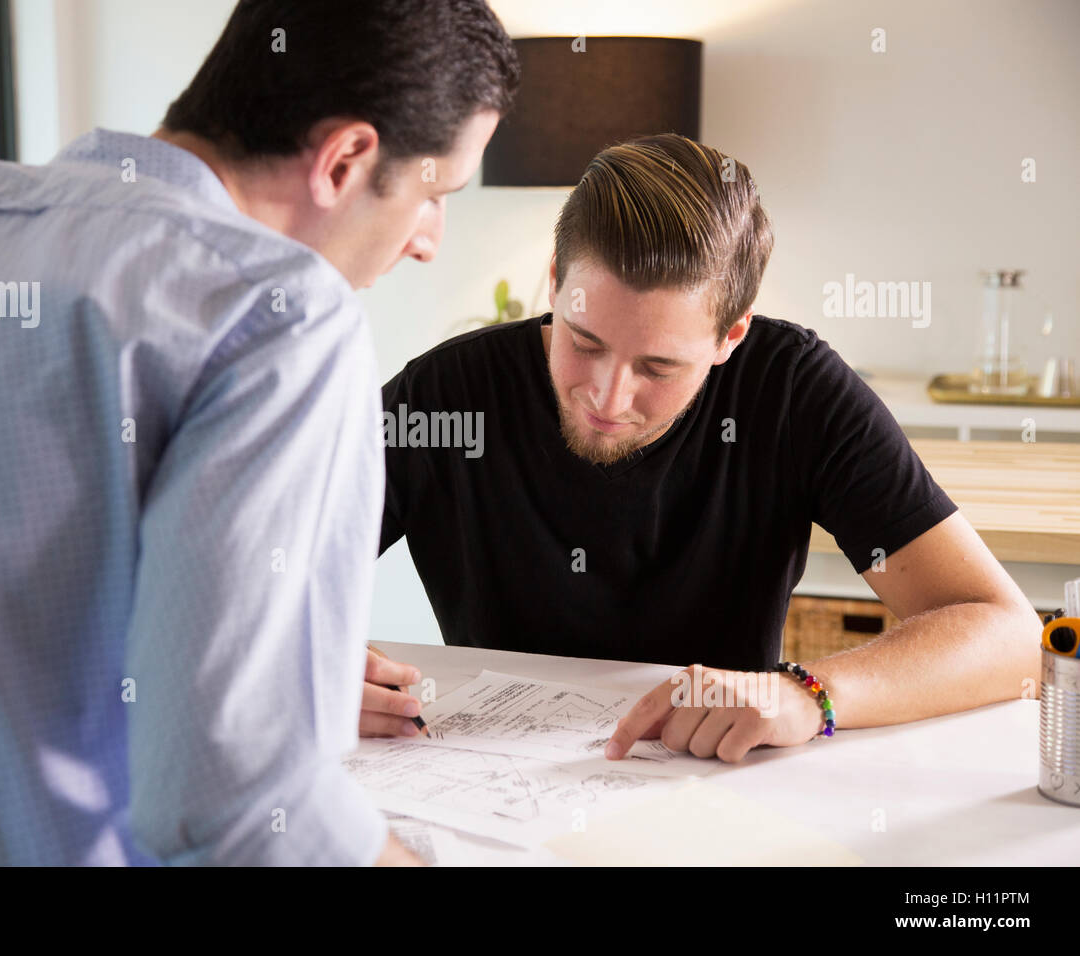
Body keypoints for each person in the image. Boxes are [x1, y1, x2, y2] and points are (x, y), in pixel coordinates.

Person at [0, 0, 518, 865]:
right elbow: (238, 808)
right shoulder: (276, 312)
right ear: (347, 157)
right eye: (436, 193)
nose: (430, 241)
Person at [364, 134, 1042, 764]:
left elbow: (1009, 638)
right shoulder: (445, 396)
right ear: (555, 280)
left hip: (724, 779)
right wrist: (300, 667)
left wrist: (808, 694)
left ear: (731, 336)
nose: (607, 396)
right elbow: (262, 565)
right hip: (485, 782)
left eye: (657, 368)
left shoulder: (792, 389)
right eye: (585, 341)